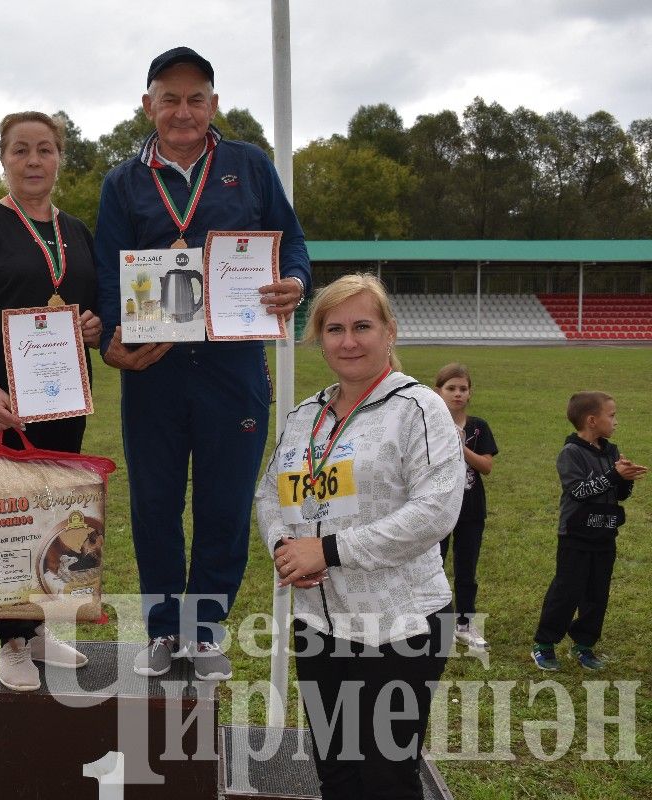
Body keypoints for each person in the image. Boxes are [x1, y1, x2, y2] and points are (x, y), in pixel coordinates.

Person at [93, 46, 310, 680]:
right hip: (154, 370)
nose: (182, 111)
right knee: (156, 505)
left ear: (214, 104)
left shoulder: (249, 166)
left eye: (195, 99)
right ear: (148, 105)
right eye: (170, 99)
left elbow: (291, 244)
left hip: (234, 367)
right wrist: (111, 339)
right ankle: (164, 630)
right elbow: (110, 272)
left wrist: (294, 280)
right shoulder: (123, 181)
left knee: (223, 503)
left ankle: (206, 627)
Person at [256, 273, 463, 800]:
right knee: (336, 771)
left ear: (390, 331)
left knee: (387, 777)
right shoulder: (306, 415)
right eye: (334, 328)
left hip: (401, 624)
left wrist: (326, 550)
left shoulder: (419, 408)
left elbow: (436, 509)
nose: (348, 341)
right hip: (320, 622)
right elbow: (268, 495)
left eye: (363, 326)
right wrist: (287, 550)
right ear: (319, 337)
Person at [0, 111, 99, 691]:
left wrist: (92, 325)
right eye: (21, 150)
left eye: (46, 149)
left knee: (56, 518)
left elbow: (93, 311)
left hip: (64, 397)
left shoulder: (77, 232)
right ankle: (8, 638)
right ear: (2, 158)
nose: (34, 161)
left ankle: (36, 629)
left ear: (60, 158)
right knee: (1, 521)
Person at [531, 391, 646, 671]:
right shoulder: (571, 453)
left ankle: (584, 644)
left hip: (605, 534)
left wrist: (624, 478)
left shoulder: (611, 452)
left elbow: (619, 494)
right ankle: (544, 644)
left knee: (597, 592)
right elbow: (581, 491)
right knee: (567, 590)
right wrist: (612, 476)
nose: (616, 421)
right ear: (592, 420)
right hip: (576, 535)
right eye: (612, 415)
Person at [433, 363, 498, 650]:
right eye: (451, 388)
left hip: (470, 509)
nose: (457, 394)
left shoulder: (478, 426)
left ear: (470, 393)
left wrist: (462, 447)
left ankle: (464, 623)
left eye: (463, 389)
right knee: (433, 566)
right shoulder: (429, 424)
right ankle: (434, 622)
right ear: (439, 392)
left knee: (466, 568)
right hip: (435, 507)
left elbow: (486, 466)